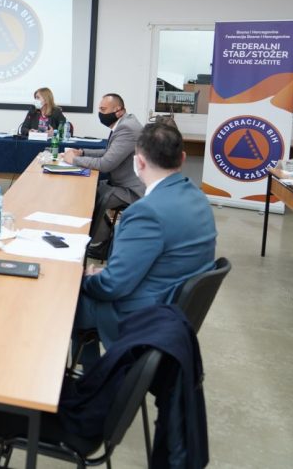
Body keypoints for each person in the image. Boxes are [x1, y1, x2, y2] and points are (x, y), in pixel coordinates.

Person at [72, 122, 216, 365]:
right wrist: (107, 273)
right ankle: (92, 373)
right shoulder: (197, 197)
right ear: (182, 158)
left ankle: (91, 377)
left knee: (66, 300)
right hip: (173, 306)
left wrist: (85, 279)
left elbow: (112, 287)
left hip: (143, 313)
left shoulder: (146, 212)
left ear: (138, 162)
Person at [63, 93, 144, 248]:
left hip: (131, 190)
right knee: (84, 189)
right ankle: (102, 237)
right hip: (120, 182)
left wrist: (74, 160)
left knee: (87, 197)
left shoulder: (127, 128)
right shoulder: (123, 123)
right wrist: (82, 152)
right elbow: (109, 152)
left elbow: (106, 164)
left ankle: (101, 242)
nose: (100, 113)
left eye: (103, 109)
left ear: (118, 110)